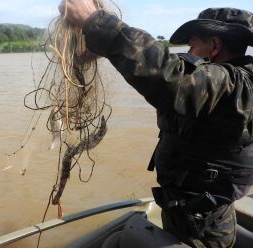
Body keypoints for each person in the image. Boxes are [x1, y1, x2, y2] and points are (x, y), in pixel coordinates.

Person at [59, 1, 253, 247]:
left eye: (193, 44)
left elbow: (173, 78)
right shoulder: (222, 86)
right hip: (189, 210)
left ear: (214, 46)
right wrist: (107, 50)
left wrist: (99, 24)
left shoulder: (237, 87)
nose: (189, 51)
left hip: (202, 224)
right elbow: (164, 77)